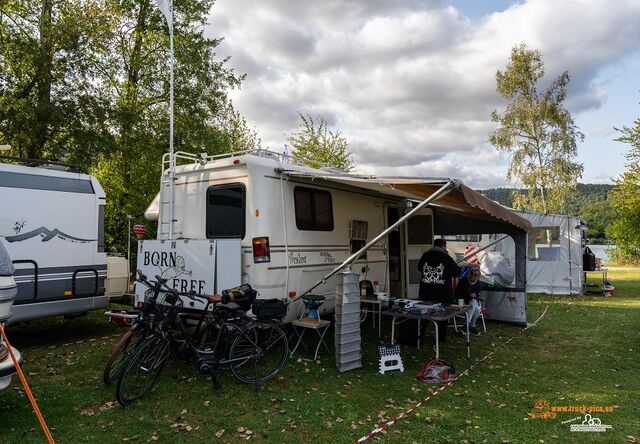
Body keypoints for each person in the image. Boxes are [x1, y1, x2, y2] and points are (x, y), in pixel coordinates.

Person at [417, 238, 461, 343]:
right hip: (443, 294)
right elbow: (456, 272)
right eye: (445, 246)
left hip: (426, 292)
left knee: (424, 316)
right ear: (443, 246)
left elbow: (419, 267)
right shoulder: (446, 258)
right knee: (443, 317)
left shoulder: (425, 256)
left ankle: (420, 337)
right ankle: (441, 338)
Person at [454, 263, 482, 335]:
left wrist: (473, 296)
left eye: (475, 275)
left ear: (478, 276)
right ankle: (470, 327)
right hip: (462, 303)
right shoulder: (463, 281)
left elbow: (477, 296)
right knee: (474, 303)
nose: (472, 276)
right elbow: (458, 294)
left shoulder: (478, 283)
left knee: (476, 306)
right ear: (469, 273)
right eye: (471, 273)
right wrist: (469, 295)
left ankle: (467, 326)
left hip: (471, 304)